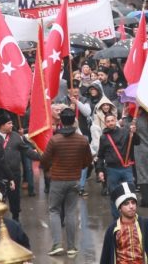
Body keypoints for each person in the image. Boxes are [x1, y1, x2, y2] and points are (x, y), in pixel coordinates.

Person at [40, 108, 93, 257]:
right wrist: (78, 167)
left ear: (61, 121)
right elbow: (88, 161)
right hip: (74, 180)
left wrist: (47, 168)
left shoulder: (55, 140)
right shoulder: (82, 140)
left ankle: (57, 244)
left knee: (54, 210)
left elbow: (44, 160)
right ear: (74, 120)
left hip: (57, 180)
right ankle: (71, 247)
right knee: (71, 212)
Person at [100, 182, 148, 264]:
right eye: (126, 203)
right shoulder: (112, 230)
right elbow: (105, 257)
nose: (131, 206)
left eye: (133, 202)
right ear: (119, 208)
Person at [0, 114, 40, 222]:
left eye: (11, 123)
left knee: (14, 197)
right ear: (1, 126)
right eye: (9, 123)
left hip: (14, 173)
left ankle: (16, 218)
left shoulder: (15, 136)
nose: (12, 125)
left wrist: (41, 155)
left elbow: (26, 150)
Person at [96, 113, 139, 218]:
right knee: (114, 195)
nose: (110, 123)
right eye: (108, 121)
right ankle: (116, 220)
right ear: (105, 123)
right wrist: (100, 170)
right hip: (112, 170)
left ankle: (131, 217)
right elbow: (100, 156)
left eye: (112, 120)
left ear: (116, 120)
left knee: (130, 194)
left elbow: (137, 142)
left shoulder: (125, 132)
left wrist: (134, 133)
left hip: (126, 168)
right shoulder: (104, 137)